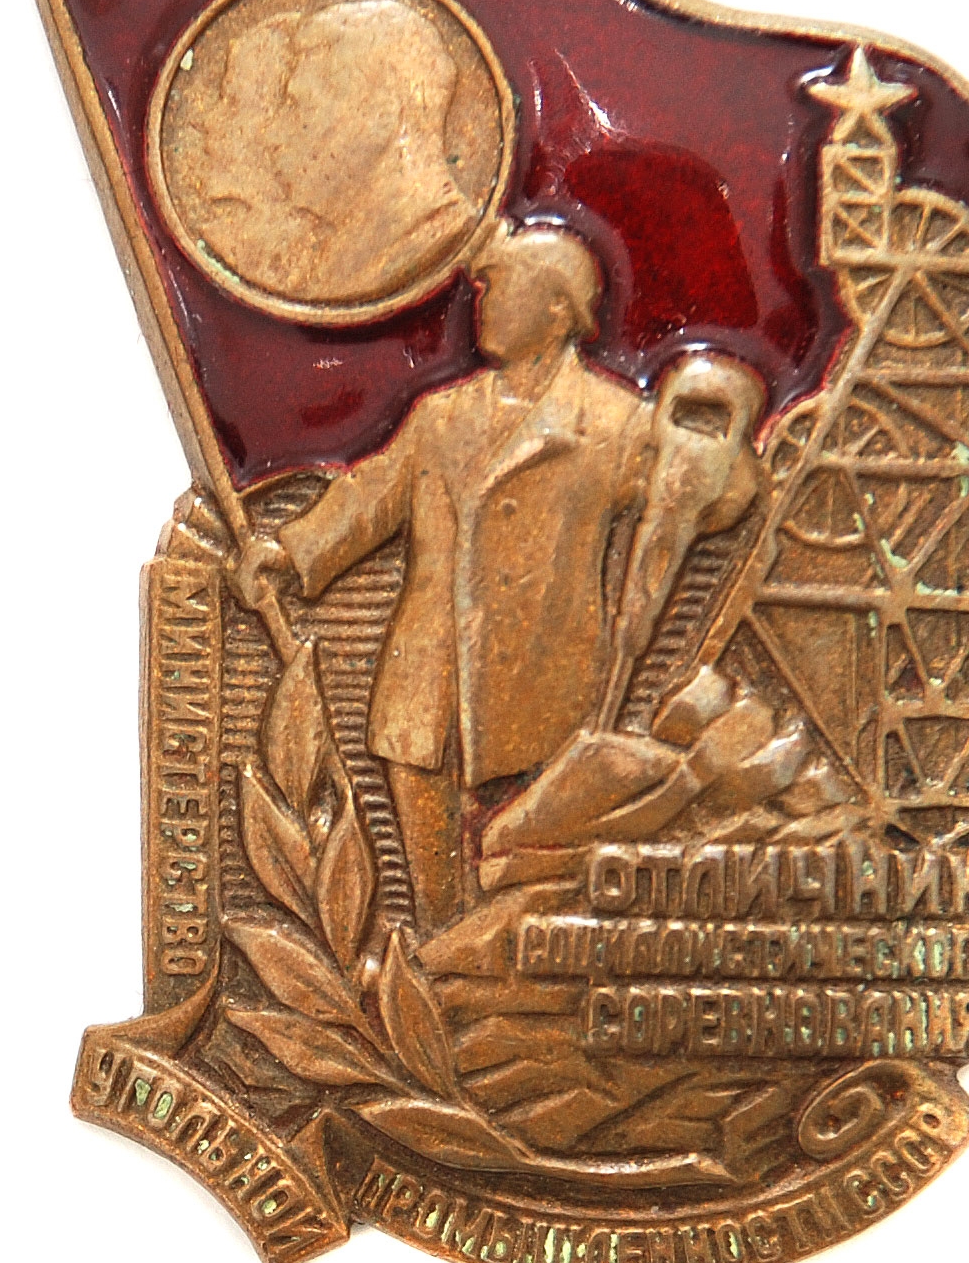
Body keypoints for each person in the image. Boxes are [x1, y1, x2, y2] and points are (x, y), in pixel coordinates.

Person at [234, 223, 763, 927]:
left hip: (541, 702)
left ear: (558, 308)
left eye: (502, 287)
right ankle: (435, 976)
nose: (482, 302)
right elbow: (369, 499)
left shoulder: (613, 424)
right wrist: (291, 552)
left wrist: (714, 431)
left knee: (525, 894)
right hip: (425, 696)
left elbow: (720, 499)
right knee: (434, 913)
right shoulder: (441, 416)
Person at [189, 0, 479, 303]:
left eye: (297, 107)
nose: (272, 137)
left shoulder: (424, 241)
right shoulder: (339, 263)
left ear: (378, 113)